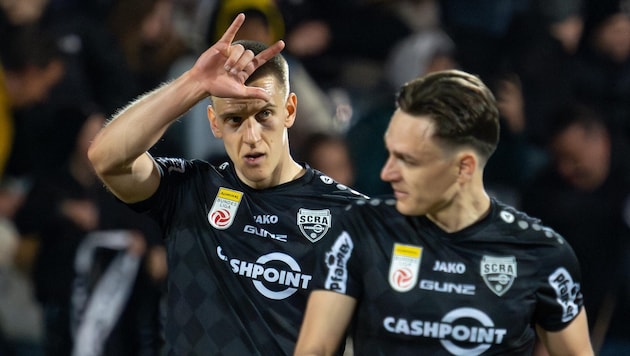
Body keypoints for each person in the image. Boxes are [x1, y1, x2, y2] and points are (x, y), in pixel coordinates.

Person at [87, 14, 367, 355]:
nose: (251, 137)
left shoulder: (350, 216)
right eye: (234, 120)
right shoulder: (192, 191)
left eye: (264, 115)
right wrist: (192, 83)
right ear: (214, 123)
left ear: (290, 111)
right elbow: (106, 157)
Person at [294, 69, 594, 356]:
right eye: (391, 154)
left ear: (463, 167)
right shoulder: (361, 230)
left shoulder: (540, 253)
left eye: (408, 160)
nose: (388, 173)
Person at [520, 103, 630, 355]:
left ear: (600, 141)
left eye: (573, 158)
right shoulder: (544, 193)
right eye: (559, 159)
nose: (565, 169)